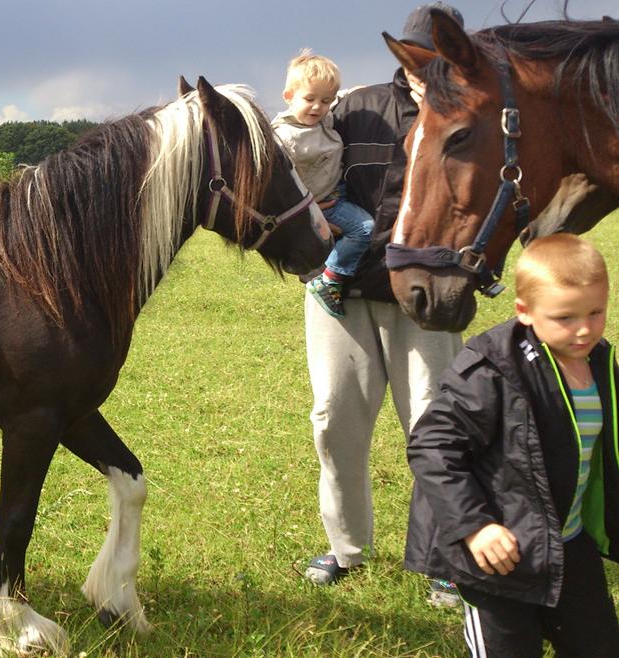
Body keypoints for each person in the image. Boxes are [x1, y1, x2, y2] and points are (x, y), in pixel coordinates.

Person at [300, 2, 466, 608]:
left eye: (439, 59)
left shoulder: (471, 115)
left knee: (435, 425)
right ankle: (346, 548)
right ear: (402, 56)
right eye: (416, 58)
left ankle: (444, 560)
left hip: (426, 297)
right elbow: (301, 166)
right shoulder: (356, 107)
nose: (425, 70)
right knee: (334, 421)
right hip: (342, 295)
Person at [405, 234, 619, 657]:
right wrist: (475, 526)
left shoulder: (599, 361)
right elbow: (432, 446)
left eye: (596, 312)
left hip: (569, 544)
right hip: (498, 558)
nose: (584, 329)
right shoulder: (493, 368)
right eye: (564, 317)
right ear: (524, 311)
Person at [272, 50, 374, 318]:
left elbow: (340, 97)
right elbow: (277, 183)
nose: (318, 107)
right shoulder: (284, 138)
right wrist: (309, 208)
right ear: (288, 96)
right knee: (365, 229)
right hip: (322, 204)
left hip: (336, 192)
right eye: (310, 99)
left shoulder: (323, 118)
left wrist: (359, 92)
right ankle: (330, 279)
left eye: (325, 101)